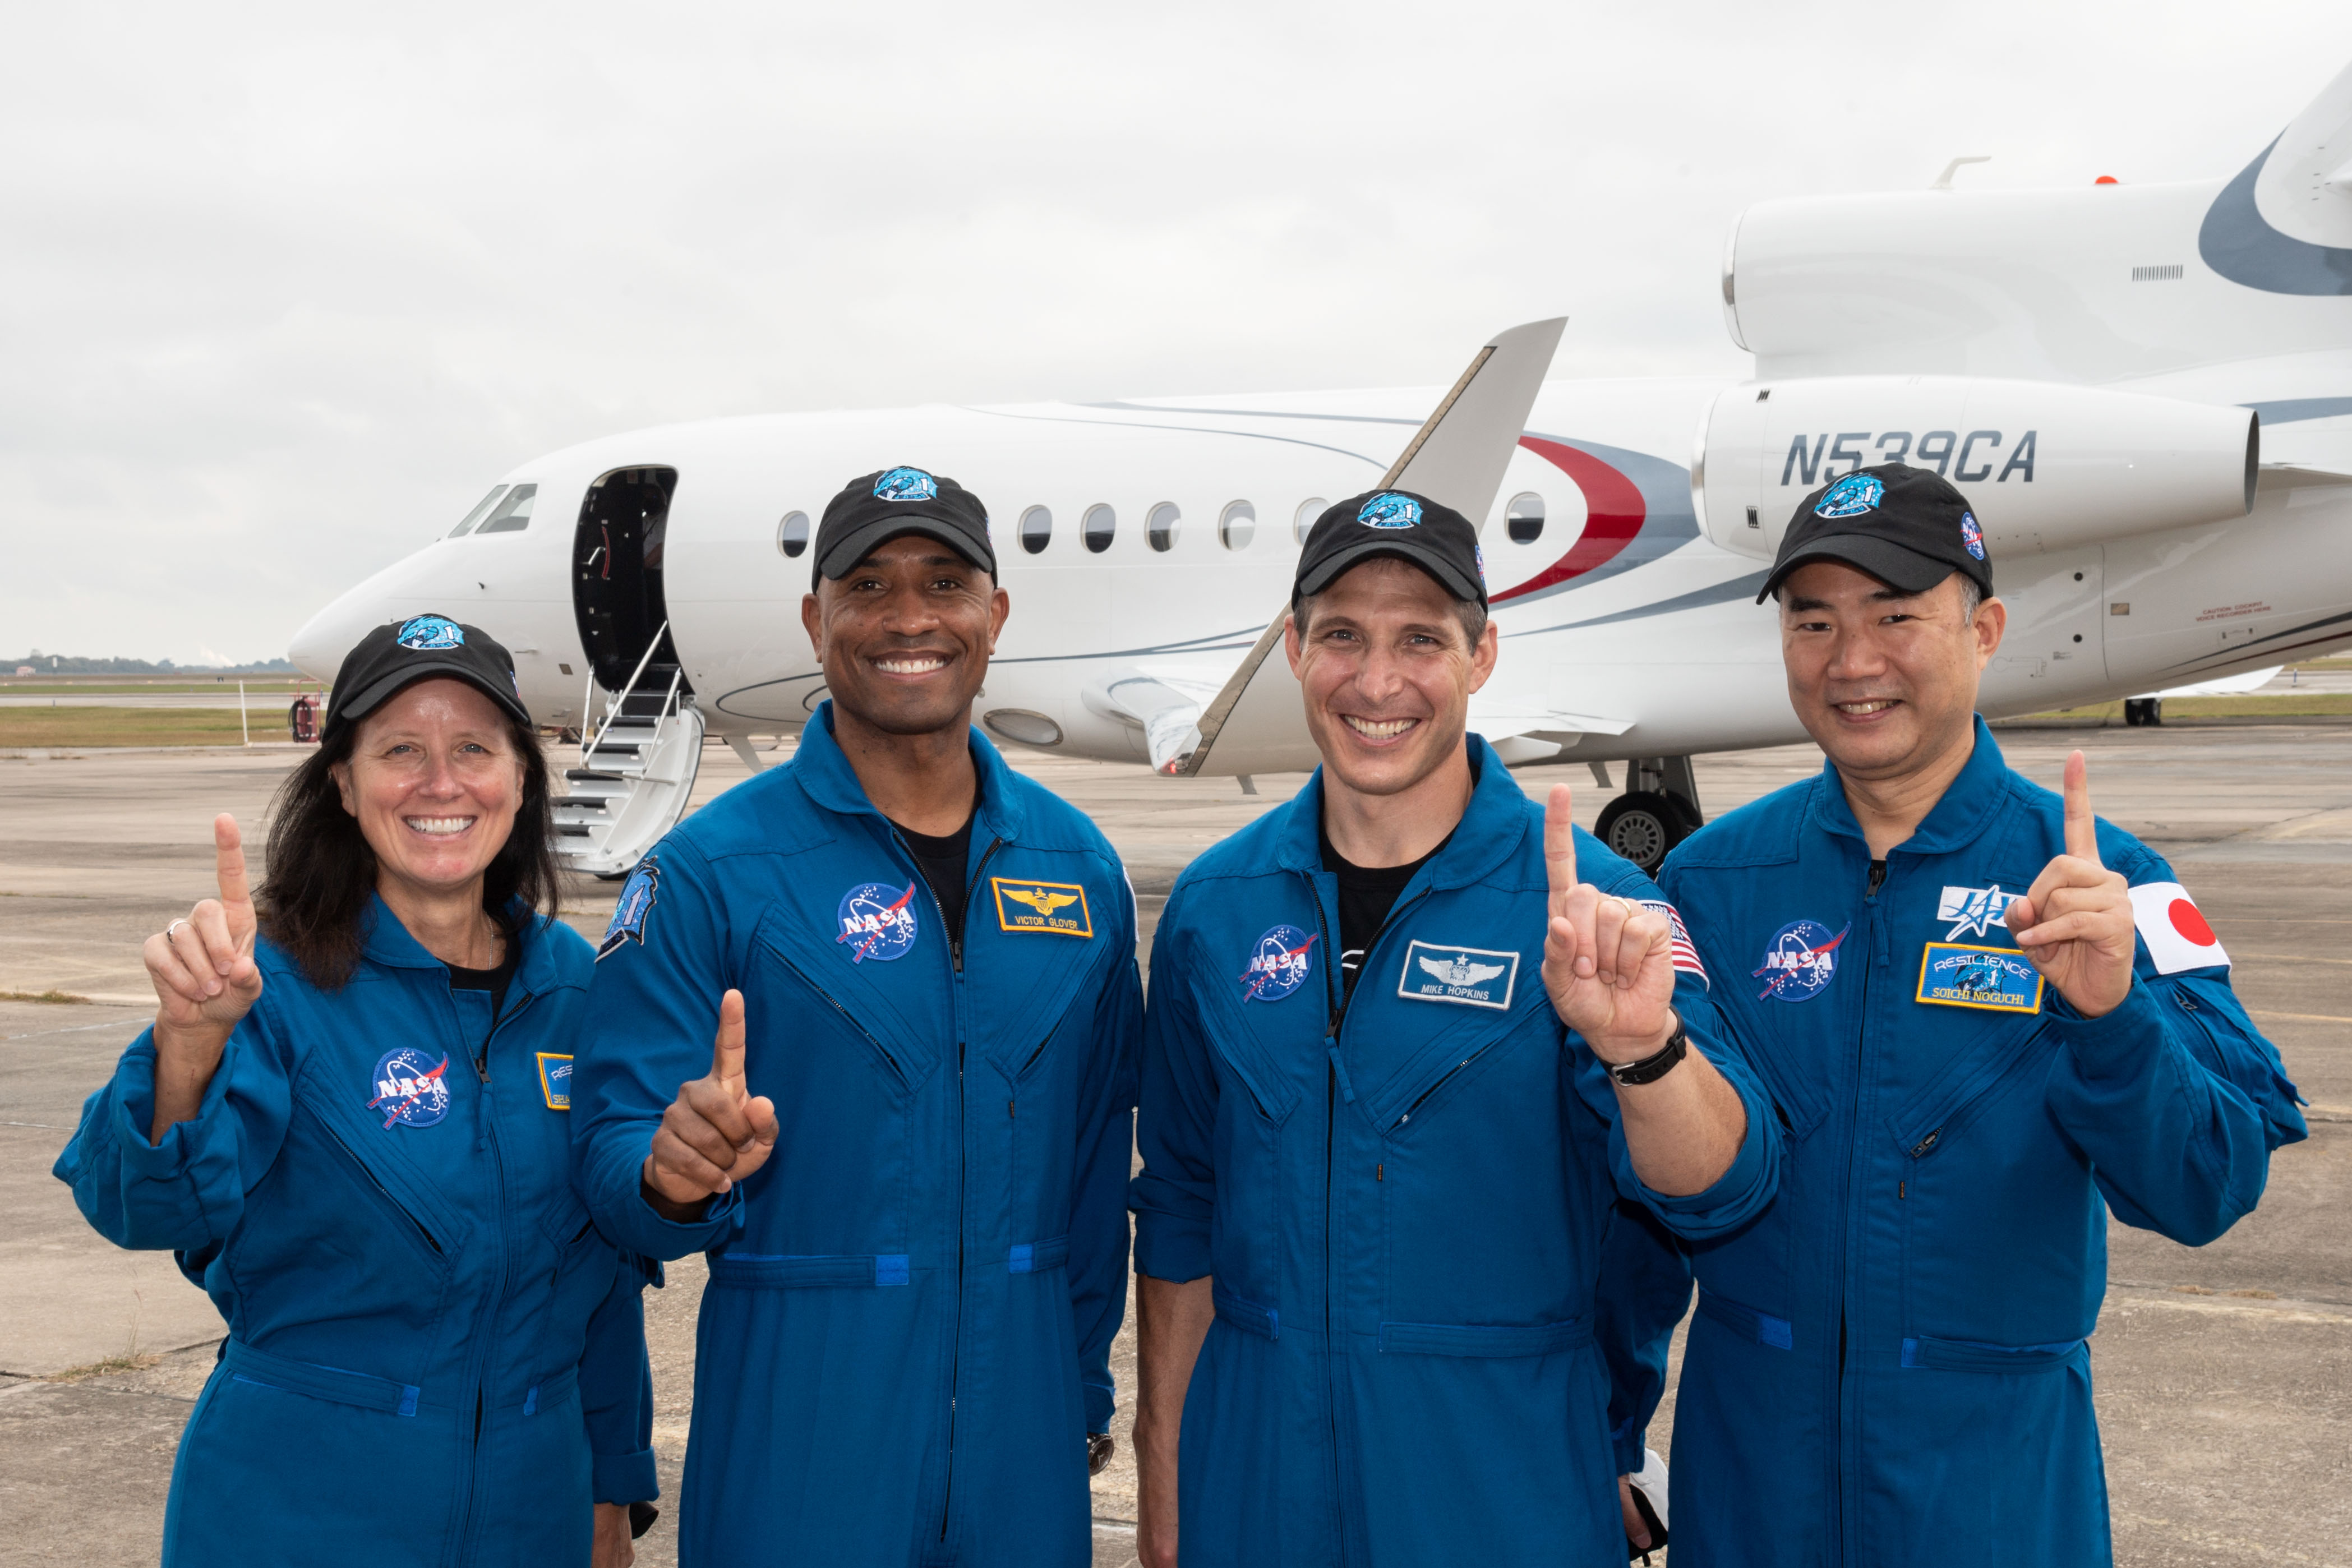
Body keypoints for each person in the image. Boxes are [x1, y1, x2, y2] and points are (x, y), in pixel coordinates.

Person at [1654, 465, 2308, 1566]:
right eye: (1814, 620)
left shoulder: (2110, 885)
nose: (1852, 661)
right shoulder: (1710, 883)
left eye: (1897, 615)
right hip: (1750, 1482)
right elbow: (1625, 1199)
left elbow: (2209, 1182)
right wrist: (1616, 1438)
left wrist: (2114, 1018)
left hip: (1993, 1491)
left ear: (1986, 627)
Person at [1126, 489, 1783, 1567]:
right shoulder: (1215, 907)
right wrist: (1170, 1492)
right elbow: (1184, 1210)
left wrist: (1643, 1050)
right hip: (1255, 1467)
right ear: (1293, 650)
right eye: (1342, 634)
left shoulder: (1595, 906)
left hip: (1497, 1470)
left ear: (1481, 658)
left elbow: (1718, 1186)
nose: (1376, 682)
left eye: (1420, 640)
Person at [572, 465, 1142, 1567]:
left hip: (1025, 1442)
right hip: (802, 1430)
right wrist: (667, 1173)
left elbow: (1091, 1168)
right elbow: (609, 1156)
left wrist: (1076, 1389)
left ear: (995, 614)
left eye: (944, 581)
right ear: (814, 618)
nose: (909, 616)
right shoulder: (708, 873)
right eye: (869, 584)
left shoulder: (1081, 872)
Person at [55, 614, 658, 1567]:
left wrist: (612, 1482)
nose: (441, 782)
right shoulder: (267, 984)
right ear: (343, 781)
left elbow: (604, 1272)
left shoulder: (576, 989)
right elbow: (145, 1210)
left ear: (520, 778)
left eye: (473, 748)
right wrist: (188, 1044)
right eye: (400, 750)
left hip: (533, 1506)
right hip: (300, 1504)